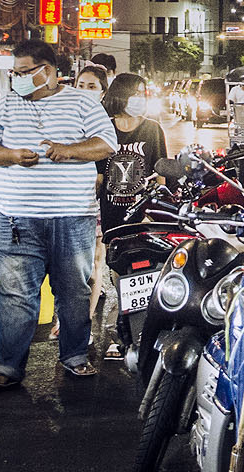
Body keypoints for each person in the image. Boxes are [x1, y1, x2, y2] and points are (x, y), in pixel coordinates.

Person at [0, 40, 118, 391]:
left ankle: (75, 356)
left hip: (73, 217)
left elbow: (106, 143)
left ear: (49, 72)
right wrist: (10, 156)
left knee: (73, 292)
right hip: (16, 219)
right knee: (17, 296)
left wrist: (67, 151)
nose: (18, 79)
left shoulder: (82, 103)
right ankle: (7, 366)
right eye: (16, 73)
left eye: (25, 72)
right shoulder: (4, 105)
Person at [93, 74, 167, 360]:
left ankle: (143, 333)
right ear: (121, 95)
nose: (140, 97)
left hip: (144, 215)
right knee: (116, 273)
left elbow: (161, 174)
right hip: (111, 212)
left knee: (145, 273)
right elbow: (98, 176)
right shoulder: (105, 129)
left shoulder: (152, 129)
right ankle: (122, 333)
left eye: (143, 93)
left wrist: (156, 210)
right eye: (135, 92)